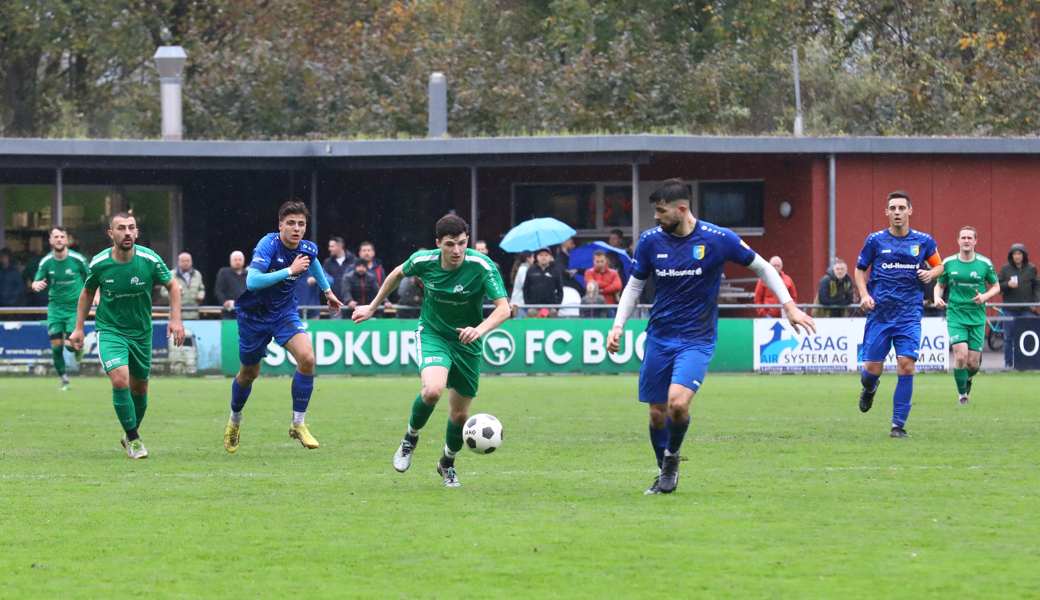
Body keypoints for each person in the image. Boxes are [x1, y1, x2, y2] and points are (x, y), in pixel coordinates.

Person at [607, 179, 815, 495]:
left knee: (678, 404)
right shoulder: (650, 241)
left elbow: (763, 267)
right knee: (657, 414)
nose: (656, 217)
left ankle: (672, 459)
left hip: (697, 338)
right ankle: (663, 471)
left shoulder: (718, 238)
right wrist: (618, 326)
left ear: (681, 209)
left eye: (661, 211)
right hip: (660, 337)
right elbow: (634, 285)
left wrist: (789, 306)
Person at [352, 214, 510, 488]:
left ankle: (447, 463)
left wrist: (479, 330)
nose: (457, 250)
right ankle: (410, 439)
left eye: (462, 243)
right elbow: (396, 274)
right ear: (438, 243)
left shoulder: (481, 265)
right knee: (433, 390)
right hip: (433, 334)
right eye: (450, 244)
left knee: (460, 415)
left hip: (468, 342)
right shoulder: (424, 261)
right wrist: (373, 306)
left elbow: (504, 308)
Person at [223, 201, 342, 453]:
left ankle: (298, 423)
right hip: (254, 316)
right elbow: (252, 281)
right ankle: (235, 420)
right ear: (280, 225)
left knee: (307, 358)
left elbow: (313, 262)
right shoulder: (268, 244)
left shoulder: (307, 248)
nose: (296, 228)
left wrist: (327, 291)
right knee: (249, 374)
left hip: (284, 313)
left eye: (301, 224)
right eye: (291, 223)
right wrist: (290, 270)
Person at [68, 213, 185, 459]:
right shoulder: (99, 263)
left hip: (141, 333)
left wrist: (175, 319)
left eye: (132, 227)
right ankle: (134, 440)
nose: (128, 232)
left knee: (140, 390)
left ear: (137, 232)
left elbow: (173, 286)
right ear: (111, 234)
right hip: (110, 330)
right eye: (121, 228)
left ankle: (129, 434)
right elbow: (87, 293)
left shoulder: (150, 259)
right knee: (120, 380)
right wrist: (78, 327)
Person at [854, 191, 943, 438]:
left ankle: (898, 426)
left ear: (909, 211)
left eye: (901, 208)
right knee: (871, 371)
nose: (897, 212)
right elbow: (860, 270)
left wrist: (930, 274)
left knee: (906, 366)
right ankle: (869, 388)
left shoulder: (923, 241)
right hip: (880, 314)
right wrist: (864, 295)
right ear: (887, 212)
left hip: (909, 314)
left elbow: (939, 266)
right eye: (892, 208)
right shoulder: (875, 240)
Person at [934, 227, 1000, 405]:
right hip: (955, 315)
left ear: (975, 241)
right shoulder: (949, 262)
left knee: (972, 363)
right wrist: (937, 297)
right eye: (963, 237)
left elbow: (996, 287)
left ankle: (968, 377)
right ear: (958, 240)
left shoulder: (984, 263)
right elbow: (939, 285)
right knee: (961, 355)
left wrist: (984, 297)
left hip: (976, 317)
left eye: (970, 238)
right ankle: (962, 396)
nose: (966, 241)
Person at [30, 227, 89, 390]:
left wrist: (95, 293)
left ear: (67, 240)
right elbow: (36, 281)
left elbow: (92, 277)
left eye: (62, 236)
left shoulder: (78, 259)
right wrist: (35, 285)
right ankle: (65, 381)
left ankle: (78, 350)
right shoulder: (46, 262)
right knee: (56, 349)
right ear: (50, 241)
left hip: (74, 309)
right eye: (55, 237)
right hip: (55, 309)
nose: (59, 239)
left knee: (70, 346)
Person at [998, 243, 1040, 367]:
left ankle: (1026, 363)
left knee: (1026, 336)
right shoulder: (1005, 269)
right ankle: (1008, 363)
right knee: (1008, 337)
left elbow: (1037, 286)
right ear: (1011, 256)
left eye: (1019, 254)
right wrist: (1007, 284)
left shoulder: (1031, 269)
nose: (1017, 257)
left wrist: (1034, 301)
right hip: (1009, 309)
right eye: (1015, 254)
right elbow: (997, 286)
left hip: (1025, 308)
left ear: (1024, 255)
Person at [161, 252, 205, 319]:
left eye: (187, 261)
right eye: (183, 261)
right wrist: (175, 292)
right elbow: (163, 292)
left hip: (194, 314)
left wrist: (201, 294)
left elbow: (201, 289)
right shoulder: (171, 275)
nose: (185, 263)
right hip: (176, 315)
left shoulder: (197, 274)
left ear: (191, 262)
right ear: (178, 263)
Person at [524, 247, 564, 318]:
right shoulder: (531, 270)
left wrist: (556, 307)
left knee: (553, 318)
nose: (544, 257)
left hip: (551, 307)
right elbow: (525, 289)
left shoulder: (556, 271)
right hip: (534, 306)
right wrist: (528, 307)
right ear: (537, 257)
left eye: (546, 255)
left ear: (550, 257)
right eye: (541, 255)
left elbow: (560, 290)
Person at [215, 251, 248, 320]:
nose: (237, 262)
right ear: (230, 262)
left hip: (245, 311)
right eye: (235, 260)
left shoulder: (248, 274)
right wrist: (224, 301)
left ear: (243, 262)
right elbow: (219, 290)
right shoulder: (224, 273)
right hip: (229, 312)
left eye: (240, 259)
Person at [322, 236, 355, 304]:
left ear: (340, 246)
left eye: (332, 246)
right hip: (334, 300)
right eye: (329, 246)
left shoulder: (353, 261)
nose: (329, 249)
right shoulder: (327, 263)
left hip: (352, 301)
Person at [509, 251, 533, 318]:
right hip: (519, 302)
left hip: (520, 302)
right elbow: (524, 284)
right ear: (528, 259)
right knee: (519, 322)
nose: (534, 259)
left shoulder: (524, 269)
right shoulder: (523, 269)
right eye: (533, 257)